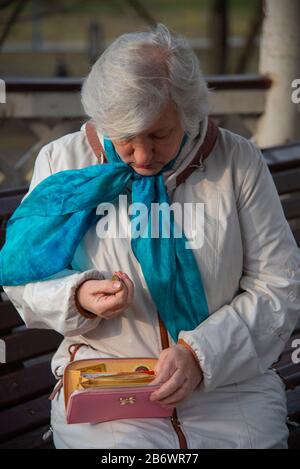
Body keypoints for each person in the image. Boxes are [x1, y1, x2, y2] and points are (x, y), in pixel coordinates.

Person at [2, 24, 300, 449]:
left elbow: (279, 284)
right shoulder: (63, 161)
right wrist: (77, 295)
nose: (142, 157)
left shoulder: (237, 161)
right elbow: (24, 276)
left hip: (229, 387)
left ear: (189, 111)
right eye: (126, 138)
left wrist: (201, 356)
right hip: (106, 383)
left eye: (159, 134)